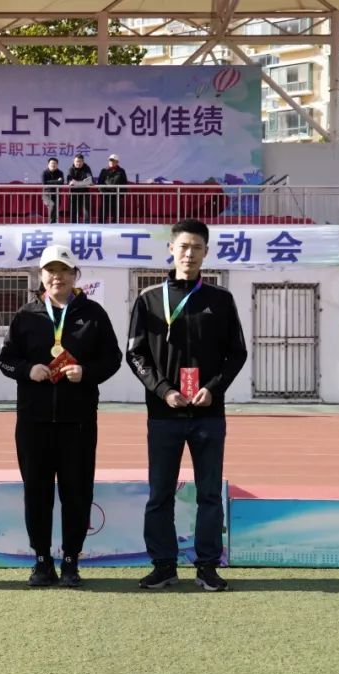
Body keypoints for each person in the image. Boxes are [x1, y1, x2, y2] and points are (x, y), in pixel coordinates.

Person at [127, 219, 247, 592]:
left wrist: (213, 388)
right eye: (183, 246)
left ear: (206, 252)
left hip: (208, 415)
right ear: (171, 249)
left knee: (209, 495)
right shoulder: (149, 299)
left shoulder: (220, 300)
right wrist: (163, 390)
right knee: (160, 494)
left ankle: (207, 566)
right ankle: (163, 565)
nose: (189, 254)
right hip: (164, 414)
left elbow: (237, 354)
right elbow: (136, 354)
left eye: (196, 247)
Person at [0, 245, 122, 587]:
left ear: (74, 275)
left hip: (77, 423)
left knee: (76, 493)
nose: (57, 277)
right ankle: (41, 561)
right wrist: (27, 370)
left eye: (64, 270)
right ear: (41, 276)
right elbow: (5, 360)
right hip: (33, 423)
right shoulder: (26, 316)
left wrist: (87, 372)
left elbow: (113, 359)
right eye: (51, 270)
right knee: (36, 493)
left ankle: (70, 561)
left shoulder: (93, 314)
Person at [97, 153, 129, 224]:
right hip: (105, 195)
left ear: (117, 162)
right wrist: (102, 192)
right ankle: (101, 224)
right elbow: (100, 182)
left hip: (116, 194)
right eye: (110, 161)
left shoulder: (121, 171)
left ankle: (116, 225)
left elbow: (124, 183)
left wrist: (121, 194)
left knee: (116, 212)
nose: (111, 162)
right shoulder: (104, 170)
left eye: (113, 161)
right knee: (103, 211)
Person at [66, 154, 94, 223]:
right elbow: (70, 181)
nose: (78, 163)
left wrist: (77, 183)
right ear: (74, 161)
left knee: (86, 210)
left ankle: (87, 224)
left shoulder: (86, 168)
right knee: (74, 210)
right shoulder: (71, 169)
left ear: (83, 161)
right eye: (77, 161)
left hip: (85, 192)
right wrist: (83, 182)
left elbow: (90, 180)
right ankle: (73, 224)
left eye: (80, 161)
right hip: (74, 192)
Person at [41, 157, 65, 223]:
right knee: (52, 205)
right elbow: (44, 183)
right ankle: (51, 222)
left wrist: (50, 181)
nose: (53, 165)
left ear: (57, 165)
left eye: (55, 163)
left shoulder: (60, 173)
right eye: (52, 163)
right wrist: (56, 181)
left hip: (57, 194)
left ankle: (53, 223)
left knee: (56, 208)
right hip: (47, 194)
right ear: (48, 164)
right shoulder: (45, 173)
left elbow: (61, 183)